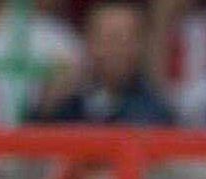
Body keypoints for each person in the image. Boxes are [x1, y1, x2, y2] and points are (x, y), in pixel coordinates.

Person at [38, 2, 174, 125]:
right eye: (106, 39)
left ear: (141, 44)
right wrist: (47, 109)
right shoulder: (66, 102)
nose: (114, 50)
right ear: (87, 40)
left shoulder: (156, 114)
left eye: (123, 40)